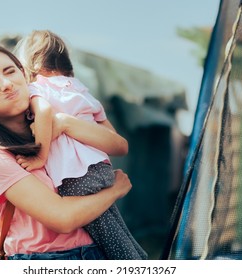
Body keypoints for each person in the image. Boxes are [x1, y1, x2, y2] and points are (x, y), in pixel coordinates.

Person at [0, 43, 133, 260]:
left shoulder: (52, 116)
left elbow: (119, 145)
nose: (7, 84)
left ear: (23, 73)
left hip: (95, 252)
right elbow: (62, 218)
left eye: (10, 71)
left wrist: (65, 123)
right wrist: (115, 190)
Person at [13, 30, 148, 260]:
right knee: (115, 228)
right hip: (102, 171)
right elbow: (117, 142)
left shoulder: (38, 89)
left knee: (110, 240)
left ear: (30, 64)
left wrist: (40, 157)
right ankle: (141, 259)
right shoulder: (79, 88)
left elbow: (44, 112)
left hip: (76, 179)